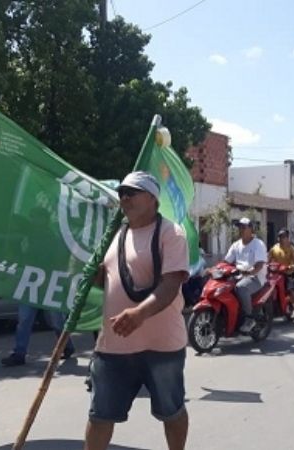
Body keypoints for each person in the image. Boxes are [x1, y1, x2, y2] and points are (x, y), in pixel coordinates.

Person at [85, 171, 189, 450]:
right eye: (121, 193)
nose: (125, 198)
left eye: (132, 192)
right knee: (100, 415)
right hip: (113, 345)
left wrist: (138, 314)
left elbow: (171, 284)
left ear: (152, 198)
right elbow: (103, 280)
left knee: (172, 411)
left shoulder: (171, 233)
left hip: (162, 346)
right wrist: (91, 275)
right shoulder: (113, 235)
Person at [0, 207, 75, 366]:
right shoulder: (27, 236)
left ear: (45, 219)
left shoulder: (51, 238)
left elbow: (57, 260)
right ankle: (19, 353)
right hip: (30, 283)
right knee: (24, 319)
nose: (34, 220)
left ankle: (67, 346)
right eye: (33, 216)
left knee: (56, 321)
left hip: (48, 283)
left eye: (37, 217)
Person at [223, 217, 267, 333]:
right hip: (238, 276)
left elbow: (259, 264)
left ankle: (249, 318)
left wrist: (250, 272)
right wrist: (213, 269)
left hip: (255, 277)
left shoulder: (258, 244)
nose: (241, 230)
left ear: (251, 229)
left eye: (244, 227)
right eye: (239, 227)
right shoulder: (236, 245)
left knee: (241, 287)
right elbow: (226, 261)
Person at [268, 228, 294, 325]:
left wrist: (293, 266)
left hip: (288, 273)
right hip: (276, 274)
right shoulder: (274, 248)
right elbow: (268, 259)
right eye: (279, 236)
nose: (281, 238)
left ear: (287, 238)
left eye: (283, 237)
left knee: (292, 291)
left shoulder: (292, 248)